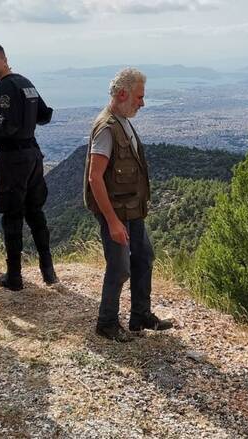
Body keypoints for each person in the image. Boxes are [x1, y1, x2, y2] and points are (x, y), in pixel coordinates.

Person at [83, 67, 173, 342]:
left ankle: (140, 315)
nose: (142, 103)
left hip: (133, 209)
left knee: (144, 257)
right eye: (139, 97)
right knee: (120, 266)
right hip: (118, 213)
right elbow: (94, 177)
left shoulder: (122, 120)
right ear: (123, 93)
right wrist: (111, 221)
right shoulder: (107, 127)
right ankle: (106, 322)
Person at [0, 42, 57, 290]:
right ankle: (48, 271)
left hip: (13, 158)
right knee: (35, 212)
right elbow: (44, 115)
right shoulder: (26, 83)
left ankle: (14, 276)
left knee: (12, 216)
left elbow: (5, 129)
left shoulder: (4, 88)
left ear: (4, 60)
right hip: (33, 155)